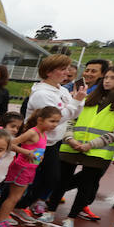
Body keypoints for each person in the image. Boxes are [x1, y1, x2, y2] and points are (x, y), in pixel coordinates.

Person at [39, 64, 114, 227]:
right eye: (106, 77)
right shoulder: (88, 98)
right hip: (71, 146)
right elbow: (71, 119)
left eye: (113, 78)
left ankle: (71, 218)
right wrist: (69, 139)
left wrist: (90, 145)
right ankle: (51, 211)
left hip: (98, 152)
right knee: (61, 180)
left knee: (86, 185)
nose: (107, 81)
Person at [18, 54, 87, 217]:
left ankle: (22, 205)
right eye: (62, 69)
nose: (67, 73)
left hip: (52, 143)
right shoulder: (42, 93)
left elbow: (73, 113)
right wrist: (75, 101)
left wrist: (79, 99)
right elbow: (55, 118)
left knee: (49, 178)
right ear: (49, 72)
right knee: (26, 176)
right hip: (36, 143)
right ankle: (9, 207)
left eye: (68, 69)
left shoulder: (62, 90)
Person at [0, 107, 62, 227]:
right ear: (40, 120)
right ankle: (0, 221)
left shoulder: (43, 134)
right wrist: (26, 152)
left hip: (30, 168)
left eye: (57, 122)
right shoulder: (32, 132)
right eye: (52, 121)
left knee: (17, 196)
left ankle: (3, 219)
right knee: (14, 196)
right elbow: (10, 144)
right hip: (21, 167)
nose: (55, 125)